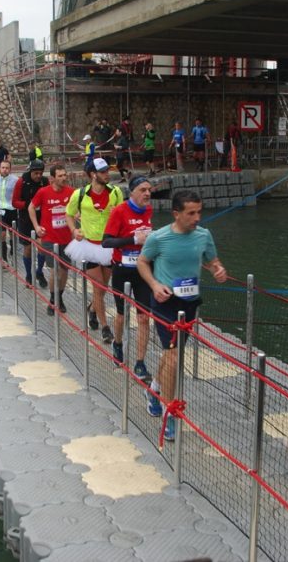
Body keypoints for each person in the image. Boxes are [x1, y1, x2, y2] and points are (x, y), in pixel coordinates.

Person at [137, 189, 228, 443]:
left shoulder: (204, 235)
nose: (197, 217)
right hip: (166, 302)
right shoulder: (159, 237)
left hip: (190, 303)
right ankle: (170, 412)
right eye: (191, 213)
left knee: (171, 355)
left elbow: (212, 261)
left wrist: (218, 270)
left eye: (199, 212)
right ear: (176, 214)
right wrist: (155, 285)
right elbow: (142, 262)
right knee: (175, 357)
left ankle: (154, 389)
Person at [102, 176, 154, 382]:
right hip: (122, 270)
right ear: (132, 192)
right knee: (122, 315)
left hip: (142, 270)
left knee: (143, 317)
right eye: (142, 190)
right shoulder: (119, 211)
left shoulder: (148, 211)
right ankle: (117, 343)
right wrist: (133, 239)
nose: (147, 194)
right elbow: (107, 242)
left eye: (149, 190)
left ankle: (140, 363)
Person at [66, 158, 123, 344]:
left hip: (107, 246)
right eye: (104, 171)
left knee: (103, 288)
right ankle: (105, 328)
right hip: (88, 246)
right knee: (99, 287)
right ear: (93, 174)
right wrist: (74, 230)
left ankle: (92, 309)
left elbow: (122, 215)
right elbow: (68, 213)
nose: (108, 174)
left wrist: (117, 212)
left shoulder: (115, 192)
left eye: (108, 170)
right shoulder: (80, 194)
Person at [29, 163, 74, 315]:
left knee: (65, 271)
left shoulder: (71, 192)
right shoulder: (43, 192)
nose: (64, 178)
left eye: (65, 175)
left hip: (67, 239)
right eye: (60, 176)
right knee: (55, 271)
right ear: (52, 178)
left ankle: (58, 298)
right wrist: (36, 227)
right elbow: (31, 208)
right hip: (49, 238)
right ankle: (53, 299)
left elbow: (77, 211)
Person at [12, 159, 48, 289]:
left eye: (40, 173)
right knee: (27, 249)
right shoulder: (22, 182)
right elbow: (14, 202)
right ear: (31, 171)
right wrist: (28, 205)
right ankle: (29, 274)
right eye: (36, 173)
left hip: (41, 219)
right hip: (25, 219)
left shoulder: (45, 182)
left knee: (42, 247)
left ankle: (39, 271)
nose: (38, 176)